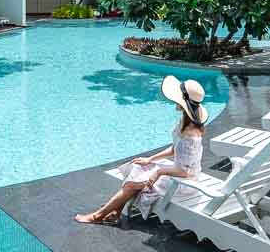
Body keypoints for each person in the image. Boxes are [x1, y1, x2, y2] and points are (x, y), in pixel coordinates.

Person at [75, 75, 208, 225]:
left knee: (133, 184)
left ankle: (97, 216)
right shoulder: (185, 121)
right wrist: (150, 159)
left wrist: (159, 172)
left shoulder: (191, 135)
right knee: (138, 166)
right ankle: (116, 212)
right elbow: (175, 149)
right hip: (176, 171)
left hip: (183, 183)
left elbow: (184, 171)